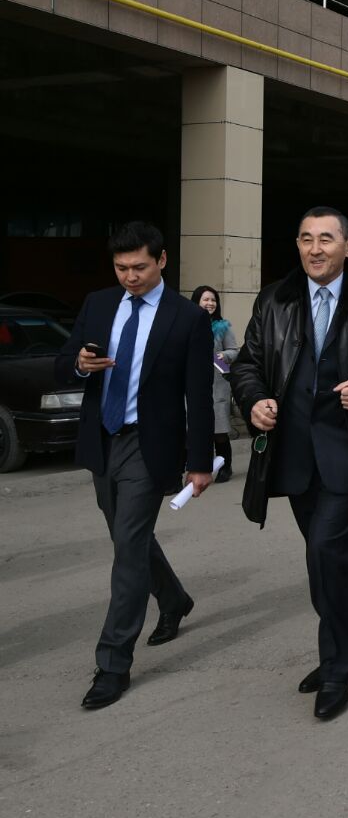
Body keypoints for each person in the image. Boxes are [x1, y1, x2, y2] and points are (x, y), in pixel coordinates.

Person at [231, 206, 348, 720]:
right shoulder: (274, 301)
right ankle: (342, 647)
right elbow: (247, 364)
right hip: (292, 456)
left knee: (324, 552)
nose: (315, 248)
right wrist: (254, 401)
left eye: (326, 239)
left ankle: (338, 666)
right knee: (322, 560)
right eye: (306, 238)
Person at [56, 221, 214, 709]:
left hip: (149, 446)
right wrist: (80, 364)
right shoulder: (99, 304)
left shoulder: (187, 318)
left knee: (127, 547)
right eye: (121, 268)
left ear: (162, 260)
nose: (130, 276)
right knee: (129, 537)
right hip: (103, 440)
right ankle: (174, 599)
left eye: (140, 267)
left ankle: (112, 664)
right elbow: (64, 362)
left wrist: (200, 461)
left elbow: (198, 395)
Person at [191, 286, 239, 483]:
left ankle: (225, 467)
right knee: (194, 430)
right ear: (196, 302)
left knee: (219, 430)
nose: (210, 303)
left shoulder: (223, 327)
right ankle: (197, 468)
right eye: (205, 299)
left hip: (217, 384)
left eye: (213, 300)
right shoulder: (187, 324)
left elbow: (234, 350)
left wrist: (223, 355)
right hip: (193, 384)